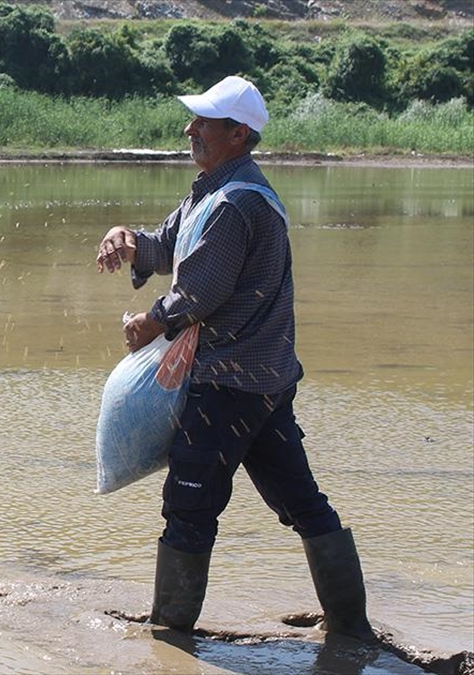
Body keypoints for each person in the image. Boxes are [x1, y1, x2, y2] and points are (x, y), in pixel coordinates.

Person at [94, 75, 375, 640]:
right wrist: (128, 238)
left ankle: (170, 635)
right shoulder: (214, 191)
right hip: (263, 380)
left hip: (226, 384)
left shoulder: (235, 202)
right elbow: (169, 247)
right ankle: (350, 626)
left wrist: (153, 322)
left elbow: (201, 291)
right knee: (301, 501)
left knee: (189, 504)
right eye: (194, 119)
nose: (190, 129)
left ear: (238, 133)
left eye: (204, 122)